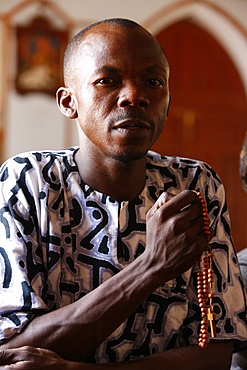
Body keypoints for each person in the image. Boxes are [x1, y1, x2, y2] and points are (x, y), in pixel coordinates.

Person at [0, 18, 246, 369]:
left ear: (167, 99)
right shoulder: (27, 182)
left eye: (153, 82)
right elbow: (11, 352)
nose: (135, 96)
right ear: (69, 102)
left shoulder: (194, 185)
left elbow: (217, 349)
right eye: (107, 81)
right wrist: (150, 267)